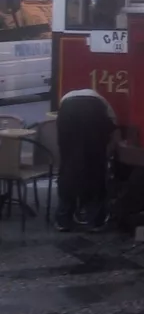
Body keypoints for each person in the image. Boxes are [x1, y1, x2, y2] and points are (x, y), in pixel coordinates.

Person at [54, 88, 117, 232]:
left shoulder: (67, 97)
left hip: (68, 113)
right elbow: (112, 124)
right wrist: (109, 148)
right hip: (93, 121)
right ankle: (95, 220)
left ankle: (63, 220)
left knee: (68, 169)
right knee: (95, 171)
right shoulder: (101, 100)